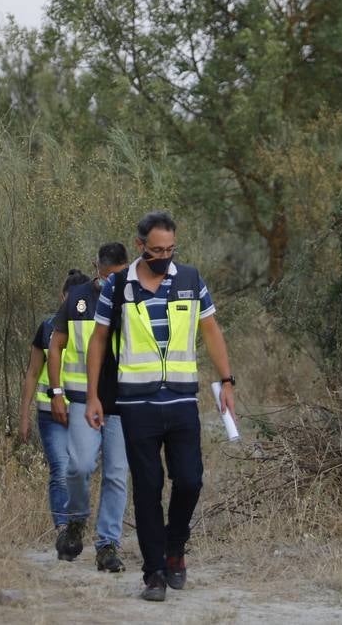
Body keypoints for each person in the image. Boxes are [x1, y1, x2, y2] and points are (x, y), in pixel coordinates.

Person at [85, 211, 236, 602]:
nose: (164, 256)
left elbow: (211, 329)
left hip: (183, 400)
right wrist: (93, 395)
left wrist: (228, 381)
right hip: (136, 404)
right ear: (140, 247)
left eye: (170, 249)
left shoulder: (190, 279)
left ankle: (175, 546)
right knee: (148, 488)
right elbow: (99, 340)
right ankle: (154, 573)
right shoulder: (118, 286)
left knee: (190, 480)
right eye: (156, 250)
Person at [47, 242, 131, 573]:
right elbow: (56, 346)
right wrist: (56, 392)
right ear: (96, 268)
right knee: (79, 466)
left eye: (119, 276)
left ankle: (107, 544)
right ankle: (76, 520)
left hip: (122, 402)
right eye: (107, 275)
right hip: (82, 400)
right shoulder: (78, 297)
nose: (112, 282)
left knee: (115, 474)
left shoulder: (134, 297)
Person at [18, 268, 92, 559]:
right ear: (63, 297)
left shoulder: (95, 327)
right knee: (60, 469)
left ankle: (76, 524)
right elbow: (33, 373)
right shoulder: (47, 327)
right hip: (50, 414)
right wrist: (23, 416)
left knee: (79, 471)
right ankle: (64, 531)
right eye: (69, 298)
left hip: (83, 413)